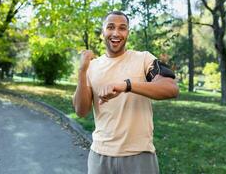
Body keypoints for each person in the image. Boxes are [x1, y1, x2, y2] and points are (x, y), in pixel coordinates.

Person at [73, 11, 179, 174]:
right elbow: (81, 111)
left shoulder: (144, 59)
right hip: (100, 157)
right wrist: (81, 71)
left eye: (122, 28)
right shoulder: (92, 67)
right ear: (103, 32)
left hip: (139, 157)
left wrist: (127, 85)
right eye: (110, 27)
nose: (116, 33)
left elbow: (171, 88)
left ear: (128, 33)